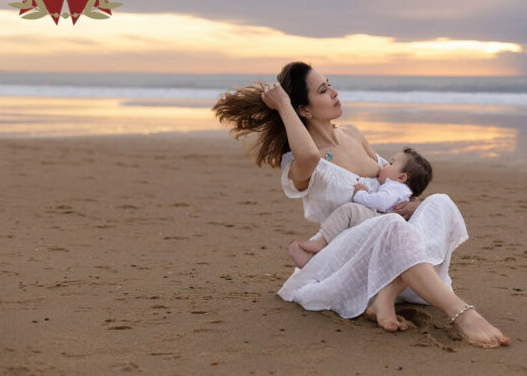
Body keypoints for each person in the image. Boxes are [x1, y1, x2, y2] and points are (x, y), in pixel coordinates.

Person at [212, 61, 509, 348]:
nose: (335, 93)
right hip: (350, 262)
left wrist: (413, 204)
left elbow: (393, 181)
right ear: (303, 109)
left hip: (396, 253)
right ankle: (463, 314)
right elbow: (311, 156)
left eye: (331, 86)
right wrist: (284, 106)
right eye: (323, 90)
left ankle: (387, 295)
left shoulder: (353, 133)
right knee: (390, 224)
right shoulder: (299, 162)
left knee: (440, 203)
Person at [290, 147, 433, 268]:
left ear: (402, 178)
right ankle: (318, 257)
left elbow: (381, 202)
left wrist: (360, 194)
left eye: (391, 163)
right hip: (383, 222)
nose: (384, 165)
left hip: (381, 221)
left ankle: (320, 243)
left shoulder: (395, 188)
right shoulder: (402, 191)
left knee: (349, 211)